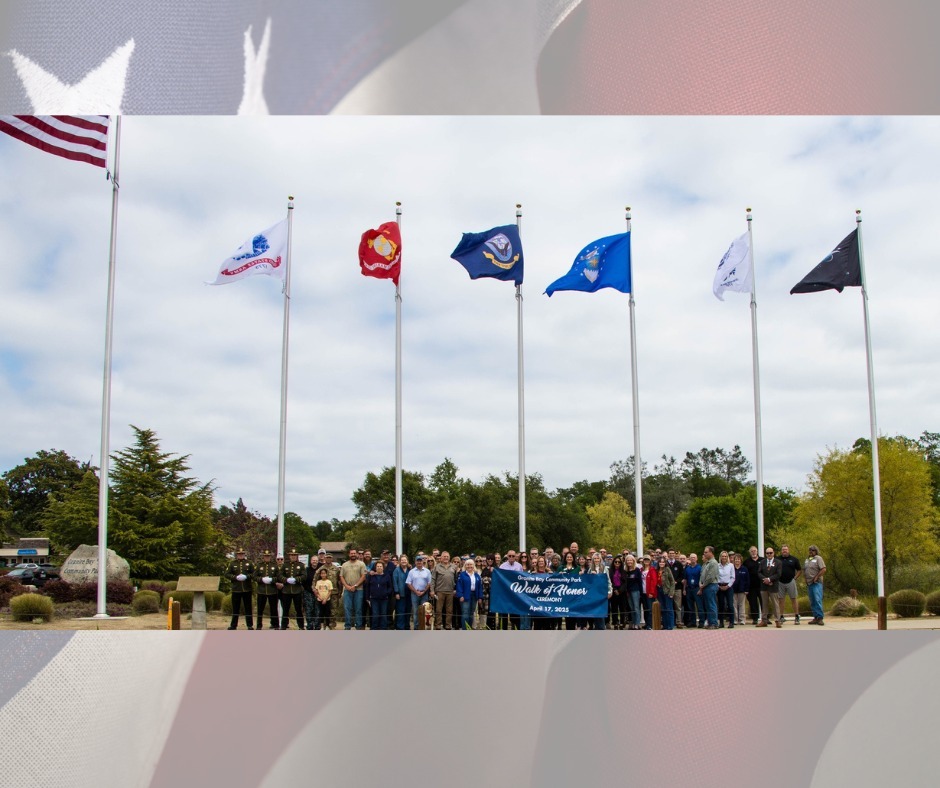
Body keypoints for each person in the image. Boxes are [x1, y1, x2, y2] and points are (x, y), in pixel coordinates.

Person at [226, 547, 254, 630]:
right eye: (239, 554)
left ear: (244, 554)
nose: (240, 555)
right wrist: (235, 577)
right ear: (237, 555)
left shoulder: (249, 563)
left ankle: (249, 625)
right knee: (235, 608)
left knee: (248, 608)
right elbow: (227, 574)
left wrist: (246, 577)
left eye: (242, 554)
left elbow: (254, 574)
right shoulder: (232, 563)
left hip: (246, 588)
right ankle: (233, 625)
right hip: (236, 589)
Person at [340, 549, 368, 630]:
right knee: (347, 608)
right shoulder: (345, 565)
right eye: (351, 553)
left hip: (359, 590)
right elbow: (341, 576)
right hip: (347, 590)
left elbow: (363, 576)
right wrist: (346, 586)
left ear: (357, 554)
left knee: (358, 609)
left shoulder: (361, 564)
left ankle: (358, 625)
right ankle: (347, 626)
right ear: (349, 554)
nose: (353, 554)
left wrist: (355, 586)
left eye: (354, 553)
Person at [278, 548, 306, 631]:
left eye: (295, 555)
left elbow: (304, 576)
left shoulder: (301, 565)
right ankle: (283, 626)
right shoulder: (285, 565)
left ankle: (301, 626)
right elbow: (280, 575)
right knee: (285, 610)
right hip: (286, 591)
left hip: (297, 590)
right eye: (292, 555)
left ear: (297, 556)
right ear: (289, 556)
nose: (293, 557)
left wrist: (296, 579)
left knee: (299, 610)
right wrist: (285, 580)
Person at [430, 550, 457, 630]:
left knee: (449, 610)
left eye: (447, 556)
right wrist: (432, 590)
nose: (446, 558)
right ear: (441, 558)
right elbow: (433, 579)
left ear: (449, 558)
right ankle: (438, 625)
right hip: (439, 591)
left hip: (450, 592)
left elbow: (456, 579)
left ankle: (448, 625)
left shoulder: (453, 567)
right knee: (438, 609)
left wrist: (455, 589)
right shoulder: (437, 567)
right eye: (444, 556)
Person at [254, 549, 280, 630]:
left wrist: (272, 580)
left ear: (270, 557)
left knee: (273, 609)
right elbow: (254, 576)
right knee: (260, 609)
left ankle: (275, 624)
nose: (267, 557)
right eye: (265, 556)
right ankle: (259, 625)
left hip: (272, 590)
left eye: (268, 556)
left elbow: (278, 577)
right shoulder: (259, 565)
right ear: (263, 557)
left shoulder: (274, 565)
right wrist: (262, 579)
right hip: (261, 590)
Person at [757, 546, 783, 627]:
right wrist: (764, 579)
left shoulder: (778, 562)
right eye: (767, 553)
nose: (769, 554)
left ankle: (777, 620)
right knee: (764, 604)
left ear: (773, 553)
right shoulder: (762, 562)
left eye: (770, 553)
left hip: (773, 586)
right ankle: (764, 620)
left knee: (775, 604)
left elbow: (778, 574)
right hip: (764, 586)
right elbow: (759, 572)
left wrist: (769, 579)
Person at [777, 544, 803, 624]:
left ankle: (796, 616)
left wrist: (795, 578)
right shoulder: (777, 559)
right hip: (780, 582)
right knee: (781, 600)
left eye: (786, 549)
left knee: (794, 599)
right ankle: (781, 616)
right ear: (781, 551)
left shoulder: (794, 559)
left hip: (791, 581)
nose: (784, 551)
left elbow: (799, 570)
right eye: (783, 549)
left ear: (788, 550)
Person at [587, 552, 612, 630]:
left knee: (601, 612)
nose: (596, 560)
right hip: (594, 594)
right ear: (593, 560)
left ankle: (601, 628)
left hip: (602, 593)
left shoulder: (604, 568)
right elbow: (587, 581)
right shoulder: (590, 569)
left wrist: (609, 591)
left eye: (598, 558)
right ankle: (597, 628)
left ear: (600, 559)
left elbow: (608, 580)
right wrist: (591, 575)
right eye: (595, 558)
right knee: (595, 612)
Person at [406, 554, 432, 628]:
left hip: (424, 594)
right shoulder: (411, 571)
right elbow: (408, 583)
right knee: (415, 612)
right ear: (415, 562)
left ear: (423, 562)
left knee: (424, 611)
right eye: (418, 561)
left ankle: (422, 627)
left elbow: (429, 583)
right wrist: (416, 591)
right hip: (414, 594)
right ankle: (416, 627)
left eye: (420, 561)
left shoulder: (427, 571)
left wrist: (424, 591)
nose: (419, 562)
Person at [455, 558, 483, 630]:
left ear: (473, 566)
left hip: (474, 595)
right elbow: (459, 586)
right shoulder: (462, 575)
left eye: (471, 564)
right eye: (467, 564)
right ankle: (464, 629)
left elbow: (480, 587)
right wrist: (460, 595)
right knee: (465, 613)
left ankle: (469, 628)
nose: (469, 566)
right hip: (465, 595)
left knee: (471, 613)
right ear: (465, 566)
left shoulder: (477, 575)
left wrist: (480, 597)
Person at [366, 559, 393, 629]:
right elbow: (367, 587)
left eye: (380, 566)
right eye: (377, 566)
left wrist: (386, 593)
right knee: (375, 614)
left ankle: (383, 628)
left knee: (383, 614)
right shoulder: (371, 576)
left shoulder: (387, 576)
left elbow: (390, 587)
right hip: (374, 599)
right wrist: (367, 598)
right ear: (375, 567)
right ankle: (374, 628)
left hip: (384, 599)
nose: (379, 567)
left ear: (383, 568)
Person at [804, 545, 827, 625]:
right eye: (810, 550)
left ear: (816, 551)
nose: (811, 551)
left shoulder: (818, 558)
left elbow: (823, 569)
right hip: (809, 583)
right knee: (812, 601)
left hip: (816, 583)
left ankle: (820, 617)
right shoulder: (807, 560)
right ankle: (815, 617)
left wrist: (817, 577)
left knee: (817, 600)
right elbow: (805, 570)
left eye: (813, 550)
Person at [699, 546, 720, 629]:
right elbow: (702, 575)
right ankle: (710, 621)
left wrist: (703, 584)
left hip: (711, 586)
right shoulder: (706, 563)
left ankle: (714, 623)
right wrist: (700, 584)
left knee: (711, 605)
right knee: (707, 605)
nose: (704, 553)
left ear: (711, 552)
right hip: (705, 586)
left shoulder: (713, 563)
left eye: (706, 552)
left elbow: (711, 576)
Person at [684, 552, 704, 628]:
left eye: (694, 557)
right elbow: (685, 579)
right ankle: (693, 622)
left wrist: (701, 589)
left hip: (697, 588)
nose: (692, 558)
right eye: (691, 557)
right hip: (689, 589)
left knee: (699, 606)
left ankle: (701, 621)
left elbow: (702, 579)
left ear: (696, 559)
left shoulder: (700, 568)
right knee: (690, 607)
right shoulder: (687, 568)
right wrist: (684, 589)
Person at [623, 554, 643, 630]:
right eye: (628, 560)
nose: (629, 561)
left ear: (633, 561)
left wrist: (640, 592)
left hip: (636, 591)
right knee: (631, 608)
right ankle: (633, 623)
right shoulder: (625, 571)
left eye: (631, 560)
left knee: (636, 608)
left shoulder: (637, 570)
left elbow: (640, 581)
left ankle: (637, 624)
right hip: (628, 591)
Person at [666, 549, 685, 629]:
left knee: (678, 606)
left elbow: (682, 575)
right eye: (670, 553)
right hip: (668, 588)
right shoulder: (665, 564)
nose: (671, 555)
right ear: (668, 554)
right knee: (668, 606)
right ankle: (670, 622)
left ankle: (679, 622)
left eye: (673, 553)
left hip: (677, 588)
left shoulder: (678, 564)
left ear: (675, 554)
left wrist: (677, 581)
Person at [656, 555, 676, 630]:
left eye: (663, 562)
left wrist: (671, 592)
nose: (661, 563)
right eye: (660, 562)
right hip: (659, 590)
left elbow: (672, 582)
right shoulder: (656, 570)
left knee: (669, 609)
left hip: (667, 591)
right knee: (663, 609)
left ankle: (670, 626)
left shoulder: (667, 569)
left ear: (665, 563)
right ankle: (665, 625)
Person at [744, 546, 762, 625]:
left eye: (755, 551)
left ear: (757, 551)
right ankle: (755, 618)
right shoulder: (746, 562)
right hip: (751, 586)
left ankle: (765, 618)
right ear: (749, 552)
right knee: (753, 603)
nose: (753, 552)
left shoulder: (762, 560)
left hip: (762, 586)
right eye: (752, 551)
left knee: (763, 602)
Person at [393, 554, 412, 630]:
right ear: (400, 561)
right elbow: (395, 582)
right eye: (402, 560)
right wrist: (396, 592)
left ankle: (407, 627)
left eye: (405, 560)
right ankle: (400, 628)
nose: (404, 561)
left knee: (408, 611)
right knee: (400, 612)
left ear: (407, 561)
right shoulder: (396, 570)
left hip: (409, 594)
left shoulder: (410, 570)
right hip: (400, 595)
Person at [717, 550, 735, 628]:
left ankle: (731, 622)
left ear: (727, 557)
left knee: (730, 605)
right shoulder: (717, 566)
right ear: (720, 557)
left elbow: (733, 577)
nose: (724, 557)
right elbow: (716, 577)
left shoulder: (731, 565)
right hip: (720, 587)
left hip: (728, 587)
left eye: (725, 556)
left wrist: (728, 586)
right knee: (721, 605)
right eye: (722, 556)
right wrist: (719, 586)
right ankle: (721, 622)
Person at [609, 555, 627, 630]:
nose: (617, 563)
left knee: (622, 608)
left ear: (621, 563)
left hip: (622, 592)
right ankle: (615, 622)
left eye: (619, 562)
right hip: (613, 591)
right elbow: (610, 581)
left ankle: (622, 622)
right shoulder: (610, 571)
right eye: (615, 562)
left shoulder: (624, 571)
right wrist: (615, 589)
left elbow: (625, 582)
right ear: (613, 563)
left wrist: (620, 590)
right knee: (614, 608)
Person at [732, 552, 750, 625]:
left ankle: (742, 619)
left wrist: (746, 589)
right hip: (733, 590)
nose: (737, 561)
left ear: (741, 560)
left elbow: (747, 580)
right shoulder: (731, 568)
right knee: (734, 605)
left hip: (742, 590)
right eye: (736, 559)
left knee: (741, 605)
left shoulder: (744, 569)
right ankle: (735, 620)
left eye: (738, 559)